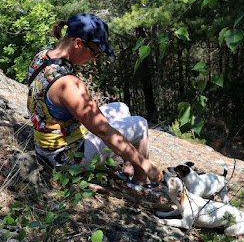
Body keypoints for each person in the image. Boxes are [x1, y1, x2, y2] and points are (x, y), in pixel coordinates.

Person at [27, 13, 163, 189]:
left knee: (121, 108)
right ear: (77, 43)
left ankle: (129, 168)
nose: (96, 59)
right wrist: (146, 164)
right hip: (65, 158)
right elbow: (104, 132)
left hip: (49, 141)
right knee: (141, 124)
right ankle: (141, 181)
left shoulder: (43, 56)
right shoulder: (69, 84)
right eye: (96, 52)